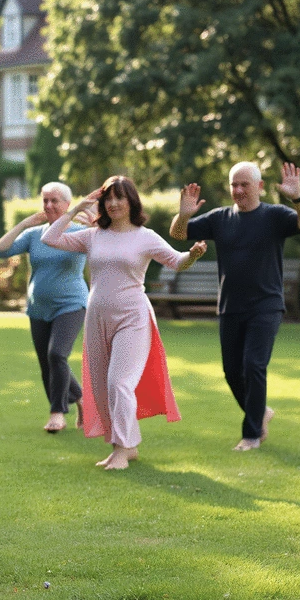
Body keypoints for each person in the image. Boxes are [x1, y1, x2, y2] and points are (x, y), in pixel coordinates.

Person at [41, 176, 207, 470]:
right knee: (104, 386)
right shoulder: (93, 235)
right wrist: (74, 208)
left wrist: (192, 255)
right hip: (97, 318)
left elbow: (177, 261)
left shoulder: (146, 236)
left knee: (120, 383)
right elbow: (49, 238)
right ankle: (125, 447)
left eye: (120, 197)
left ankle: (123, 449)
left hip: (133, 317)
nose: (113, 203)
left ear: (132, 201)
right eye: (108, 199)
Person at [170, 161, 300, 451]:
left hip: (266, 305)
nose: (238, 190)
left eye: (244, 184)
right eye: (233, 185)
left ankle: (251, 435)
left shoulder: (275, 215)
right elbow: (178, 234)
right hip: (230, 306)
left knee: (253, 365)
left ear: (260, 186)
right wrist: (183, 214)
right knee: (231, 371)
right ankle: (261, 412)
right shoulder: (219, 218)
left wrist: (297, 198)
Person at [0, 182, 88, 433]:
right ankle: (81, 399)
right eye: (45, 200)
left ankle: (57, 413)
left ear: (68, 205)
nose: (48, 205)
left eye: (54, 200)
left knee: (57, 354)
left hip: (71, 304)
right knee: (48, 362)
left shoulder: (80, 232)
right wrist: (24, 224)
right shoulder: (34, 235)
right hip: (38, 308)